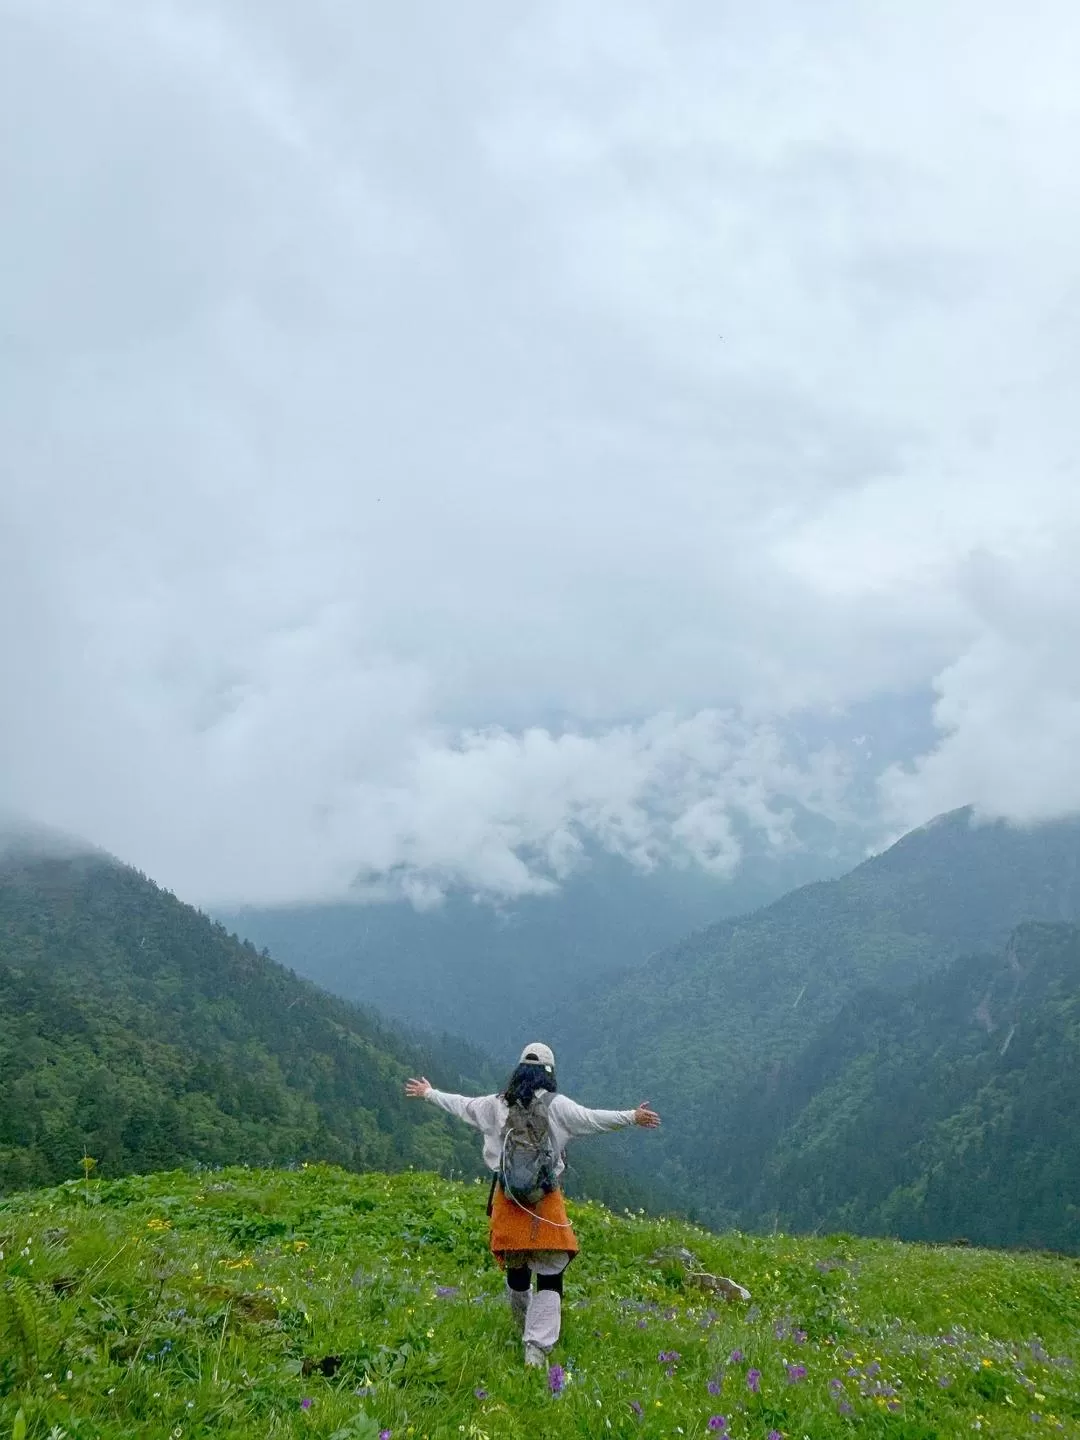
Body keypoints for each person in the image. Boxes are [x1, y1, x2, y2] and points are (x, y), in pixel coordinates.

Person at [405, 1041, 660, 1367]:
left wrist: (429, 1093)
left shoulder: (496, 1105)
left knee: (517, 1269)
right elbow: (594, 1119)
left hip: (507, 1199)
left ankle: (520, 1326)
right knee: (551, 1276)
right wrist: (632, 1116)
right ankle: (536, 1349)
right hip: (545, 1203)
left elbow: (462, 1105)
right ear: (549, 1074)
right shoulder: (558, 1106)